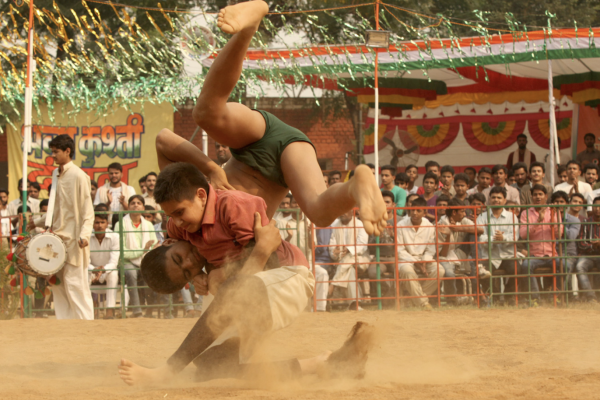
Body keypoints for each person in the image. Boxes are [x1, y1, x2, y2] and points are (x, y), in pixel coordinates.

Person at [155, 10, 387, 235]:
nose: (178, 220)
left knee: (206, 114)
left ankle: (248, 28)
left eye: (178, 214)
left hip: (252, 142)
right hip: (286, 165)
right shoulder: (214, 253)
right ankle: (354, 187)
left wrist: (212, 169)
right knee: (319, 214)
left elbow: (163, 140)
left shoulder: (178, 220)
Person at [29, 134, 95, 320]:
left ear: (68, 151)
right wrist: (38, 221)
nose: (53, 155)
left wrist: (84, 235)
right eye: (53, 152)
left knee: (75, 284)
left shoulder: (79, 176)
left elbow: (87, 210)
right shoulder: (55, 174)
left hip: (74, 240)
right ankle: (65, 327)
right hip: (55, 239)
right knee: (57, 284)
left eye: (56, 152)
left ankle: (86, 327)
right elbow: (55, 208)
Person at [396, 197, 444, 310]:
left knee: (440, 270)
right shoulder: (401, 225)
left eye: (418, 211)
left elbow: (431, 249)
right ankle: (423, 303)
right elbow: (399, 250)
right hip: (405, 259)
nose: (414, 213)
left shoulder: (429, 226)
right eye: (412, 210)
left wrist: (424, 261)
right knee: (407, 272)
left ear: (425, 212)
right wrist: (417, 263)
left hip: (424, 258)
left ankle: (413, 299)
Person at [518, 184, 562, 305]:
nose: (538, 197)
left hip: (552, 254)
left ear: (546, 196)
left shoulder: (554, 212)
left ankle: (555, 296)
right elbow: (523, 235)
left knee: (565, 265)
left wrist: (553, 219)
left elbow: (560, 233)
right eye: (535, 194)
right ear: (531, 197)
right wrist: (538, 221)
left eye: (540, 194)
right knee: (526, 266)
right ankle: (536, 298)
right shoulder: (525, 213)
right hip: (534, 255)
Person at [477, 187, 520, 304]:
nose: (496, 200)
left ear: (505, 200)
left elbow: (515, 237)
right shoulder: (481, 217)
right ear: (489, 200)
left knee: (518, 268)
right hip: (490, 256)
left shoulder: (512, 217)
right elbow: (481, 238)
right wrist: (495, 239)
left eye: (499, 197)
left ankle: (508, 296)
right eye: (494, 197)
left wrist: (504, 238)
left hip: (508, 255)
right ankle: (494, 297)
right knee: (480, 272)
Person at [437, 198, 483, 305]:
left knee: (473, 233)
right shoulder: (441, 224)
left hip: (459, 252)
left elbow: (481, 230)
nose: (465, 213)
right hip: (446, 255)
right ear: (454, 212)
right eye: (462, 211)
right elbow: (442, 254)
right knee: (451, 272)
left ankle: (479, 266)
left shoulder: (462, 220)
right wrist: (448, 233)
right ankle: (454, 299)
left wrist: (460, 229)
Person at [121, 195, 156, 318]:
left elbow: (154, 246)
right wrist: (143, 250)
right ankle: (137, 311)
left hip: (145, 260)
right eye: (133, 203)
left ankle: (150, 310)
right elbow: (121, 251)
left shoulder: (149, 225)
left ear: (143, 207)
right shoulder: (121, 224)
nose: (136, 205)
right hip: (126, 261)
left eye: (139, 203)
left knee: (151, 272)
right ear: (128, 207)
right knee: (131, 273)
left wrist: (146, 251)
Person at [329, 209, 370, 309]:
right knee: (349, 270)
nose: (342, 212)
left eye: (346, 210)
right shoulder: (334, 225)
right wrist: (334, 252)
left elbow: (362, 246)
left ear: (352, 212)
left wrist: (349, 250)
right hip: (342, 261)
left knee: (348, 261)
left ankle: (333, 283)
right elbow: (331, 245)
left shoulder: (360, 224)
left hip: (360, 259)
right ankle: (355, 304)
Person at [88, 208, 120, 319]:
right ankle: (88, 311)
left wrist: (102, 270)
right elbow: (84, 261)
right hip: (91, 270)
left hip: (107, 270)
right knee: (82, 273)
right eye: (97, 222)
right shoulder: (87, 237)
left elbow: (114, 262)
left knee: (114, 273)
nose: (100, 225)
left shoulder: (115, 237)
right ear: (92, 224)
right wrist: (94, 269)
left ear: (107, 223)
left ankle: (109, 312)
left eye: (102, 222)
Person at [367, 190, 397, 305]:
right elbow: (369, 246)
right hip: (379, 257)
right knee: (373, 273)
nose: (384, 205)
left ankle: (387, 299)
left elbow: (405, 244)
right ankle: (389, 295)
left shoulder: (400, 221)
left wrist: (394, 236)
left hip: (396, 257)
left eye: (387, 202)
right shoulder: (373, 221)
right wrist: (377, 236)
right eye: (381, 202)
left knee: (403, 272)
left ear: (393, 204)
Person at [550, 191, 581, 298]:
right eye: (556, 202)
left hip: (568, 253)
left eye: (561, 202)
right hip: (551, 253)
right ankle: (550, 296)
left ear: (567, 204)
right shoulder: (547, 219)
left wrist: (558, 221)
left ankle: (560, 297)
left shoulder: (574, 220)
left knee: (565, 265)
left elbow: (570, 237)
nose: (559, 204)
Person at [574, 196, 600, 303]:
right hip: (588, 254)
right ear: (592, 208)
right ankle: (591, 297)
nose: (597, 209)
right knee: (579, 267)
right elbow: (581, 243)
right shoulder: (586, 222)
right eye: (595, 206)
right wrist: (592, 246)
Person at [314, 224, 333, 312]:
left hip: (321, 260)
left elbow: (322, 247)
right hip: (315, 259)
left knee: (321, 273)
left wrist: (311, 248)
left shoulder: (322, 224)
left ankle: (320, 307)